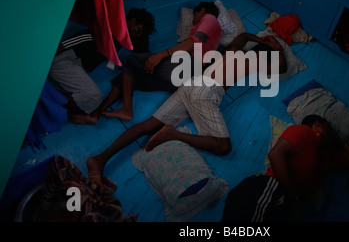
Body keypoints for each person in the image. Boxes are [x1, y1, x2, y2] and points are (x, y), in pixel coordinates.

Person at [86, 32, 288, 192]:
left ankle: (99, 159)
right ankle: (172, 134)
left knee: (147, 125)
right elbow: (282, 67)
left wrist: (260, 38)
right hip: (206, 92)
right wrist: (277, 48)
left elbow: (242, 36)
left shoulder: (234, 50)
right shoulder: (256, 62)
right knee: (223, 146)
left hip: (191, 84)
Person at [221, 115, 349, 222]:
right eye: (329, 126)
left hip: (286, 205)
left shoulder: (327, 156)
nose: (332, 130)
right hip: (269, 188)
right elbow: (275, 154)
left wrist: (334, 139)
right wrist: (296, 198)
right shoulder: (304, 131)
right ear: (317, 124)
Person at [101, 1, 222, 122]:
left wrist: (161, 55)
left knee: (129, 61)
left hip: (185, 66)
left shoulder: (211, 19)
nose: (192, 20)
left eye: (194, 15)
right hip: (182, 81)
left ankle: (126, 108)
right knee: (129, 78)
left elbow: (192, 43)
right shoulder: (213, 39)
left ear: (202, 11)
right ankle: (99, 111)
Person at [48, 8, 155, 125]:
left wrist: (142, 31)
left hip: (74, 66)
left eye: (140, 34)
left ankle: (50, 104)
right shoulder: (111, 28)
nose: (137, 35)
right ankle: (51, 107)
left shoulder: (123, 38)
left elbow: (143, 48)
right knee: (93, 96)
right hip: (64, 58)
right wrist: (52, 54)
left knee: (85, 98)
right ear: (133, 21)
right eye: (138, 30)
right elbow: (82, 37)